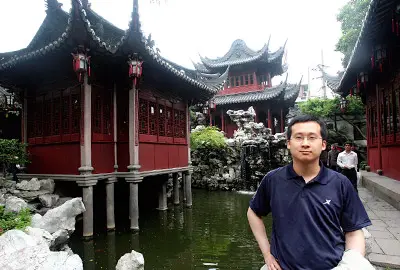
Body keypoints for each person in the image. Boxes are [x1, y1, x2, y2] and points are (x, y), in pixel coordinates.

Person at [247, 115, 371, 270]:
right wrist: (267, 253)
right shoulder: (273, 179)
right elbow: (253, 212)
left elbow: (353, 231)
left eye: (312, 137)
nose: (305, 143)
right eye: (298, 137)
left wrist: (350, 263)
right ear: (288, 143)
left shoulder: (340, 183)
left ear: (323, 144)